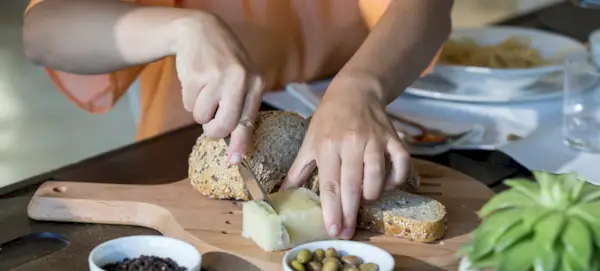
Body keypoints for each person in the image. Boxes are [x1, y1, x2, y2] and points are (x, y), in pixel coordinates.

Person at [23, 0, 453, 240]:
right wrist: (184, 28)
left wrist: (361, 87)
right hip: (177, 144)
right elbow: (43, 30)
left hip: (354, 123)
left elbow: (427, 10)